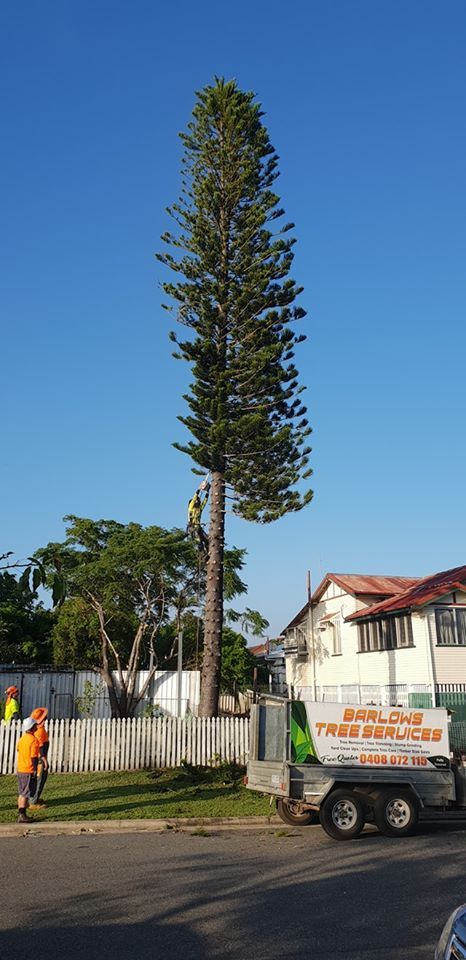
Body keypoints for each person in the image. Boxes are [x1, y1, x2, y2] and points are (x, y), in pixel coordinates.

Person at [16, 716, 40, 823]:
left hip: (20, 768)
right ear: (32, 727)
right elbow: (34, 757)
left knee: (22, 792)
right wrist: (35, 769)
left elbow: (18, 749)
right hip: (28, 769)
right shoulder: (33, 740)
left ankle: (22, 813)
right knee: (25, 793)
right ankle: (22, 815)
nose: (37, 726)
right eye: (35, 725)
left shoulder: (22, 739)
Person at [29, 707, 49, 808]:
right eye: (44, 718)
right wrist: (44, 758)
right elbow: (40, 746)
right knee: (39, 779)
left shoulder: (37, 729)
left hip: (38, 758)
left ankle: (34, 798)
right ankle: (33, 802)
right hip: (39, 759)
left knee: (37, 779)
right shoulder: (39, 731)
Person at [187, 481, 210, 554]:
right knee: (199, 541)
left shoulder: (199, 509)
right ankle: (203, 554)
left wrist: (207, 492)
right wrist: (199, 489)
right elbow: (194, 499)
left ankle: (209, 552)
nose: (198, 501)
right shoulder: (191, 508)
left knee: (207, 540)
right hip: (192, 527)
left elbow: (204, 502)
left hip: (198, 527)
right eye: (197, 500)